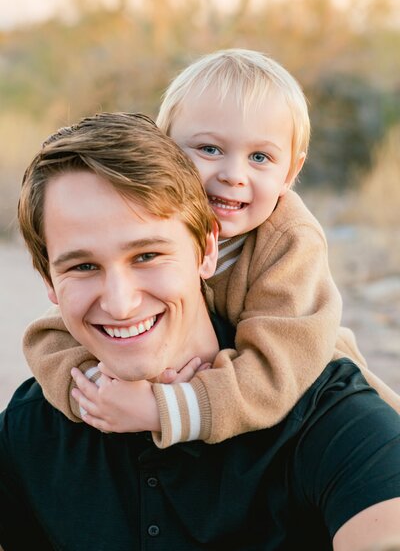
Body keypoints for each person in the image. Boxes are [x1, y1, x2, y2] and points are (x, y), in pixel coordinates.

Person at [1, 112, 400, 550]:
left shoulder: (327, 417)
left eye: (147, 256)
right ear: (49, 283)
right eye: (83, 266)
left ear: (207, 250)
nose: (119, 302)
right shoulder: (31, 430)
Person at [22, 49, 400, 448]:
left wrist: (161, 407)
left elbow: (276, 371)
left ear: (290, 172)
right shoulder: (144, 228)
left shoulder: (290, 240)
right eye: (209, 150)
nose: (234, 175)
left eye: (260, 157)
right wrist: (100, 391)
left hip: (310, 376)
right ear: (166, 153)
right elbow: (48, 338)